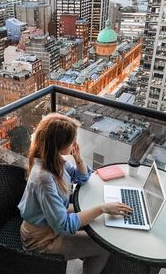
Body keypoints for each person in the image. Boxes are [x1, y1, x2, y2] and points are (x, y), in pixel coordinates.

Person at [18, 113, 133, 274]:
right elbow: (64, 225)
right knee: (102, 246)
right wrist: (102, 208)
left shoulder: (55, 160)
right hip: (41, 239)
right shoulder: (44, 179)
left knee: (94, 215)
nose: (75, 143)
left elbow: (83, 177)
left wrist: (78, 158)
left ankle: (86, 253)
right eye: (72, 140)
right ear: (58, 144)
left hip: (51, 222)